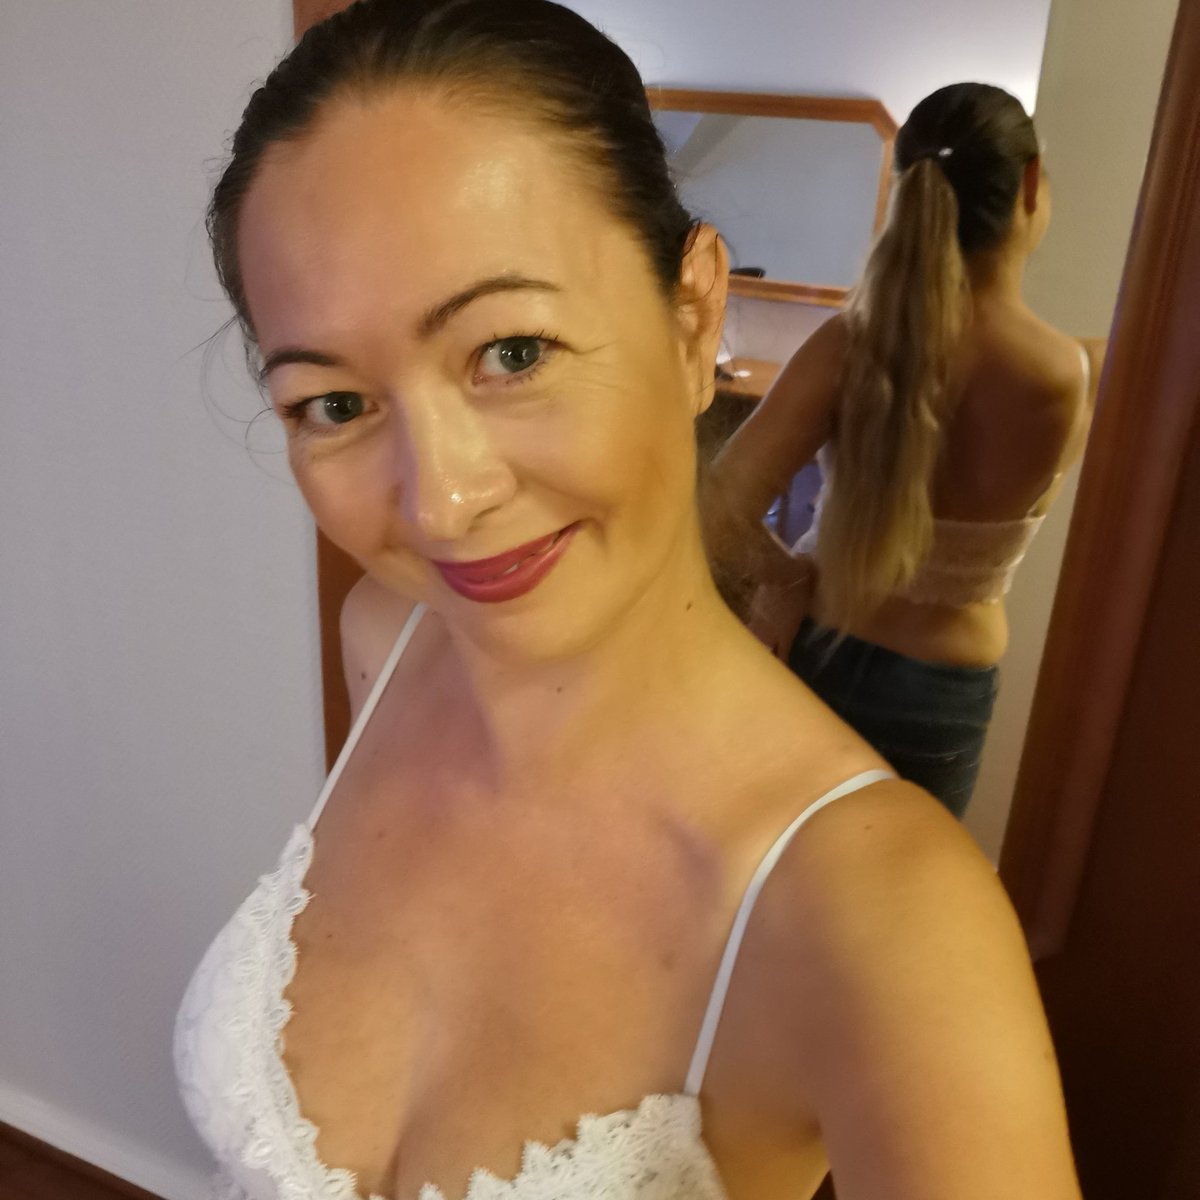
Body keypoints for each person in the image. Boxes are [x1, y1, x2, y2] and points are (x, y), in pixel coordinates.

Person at [174, 9, 1082, 1200]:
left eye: (513, 351)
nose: (442, 503)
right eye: (334, 405)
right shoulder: (385, 645)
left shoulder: (887, 924)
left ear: (694, 313)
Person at [710, 83, 1102, 818]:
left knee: (783, 866)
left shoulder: (849, 346)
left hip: (819, 651)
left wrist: (786, 580)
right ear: (1029, 185)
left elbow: (721, 503)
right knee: (905, 879)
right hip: (944, 692)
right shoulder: (1075, 374)